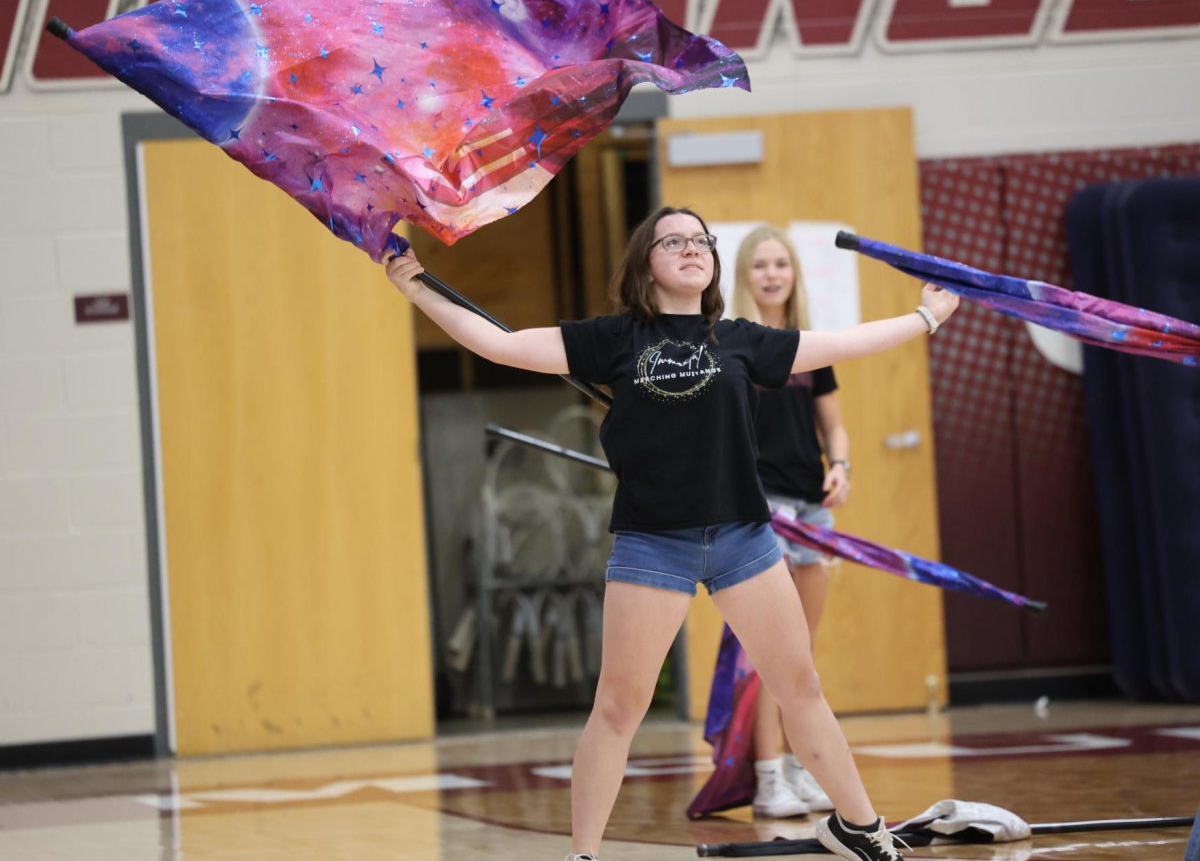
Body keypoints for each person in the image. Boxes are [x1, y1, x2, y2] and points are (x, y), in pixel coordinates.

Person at [385, 206, 958, 861]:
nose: (692, 249)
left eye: (701, 241)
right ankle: (583, 855)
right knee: (618, 708)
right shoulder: (612, 339)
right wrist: (416, 285)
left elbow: (839, 345)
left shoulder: (742, 338)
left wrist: (925, 317)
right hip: (653, 543)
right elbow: (500, 343)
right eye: (674, 241)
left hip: (745, 538)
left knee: (799, 687)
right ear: (645, 263)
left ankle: (860, 827)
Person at [727, 225, 850, 818]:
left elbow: (834, 426)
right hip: (762, 508)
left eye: (782, 264)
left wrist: (842, 465)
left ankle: (803, 770)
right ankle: (768, 777)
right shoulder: (732, 346)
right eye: (760, 265)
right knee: (767, 653)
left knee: (802, 653)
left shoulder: (809, 346)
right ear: (744, 276)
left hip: (811, 507)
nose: (772, 274)